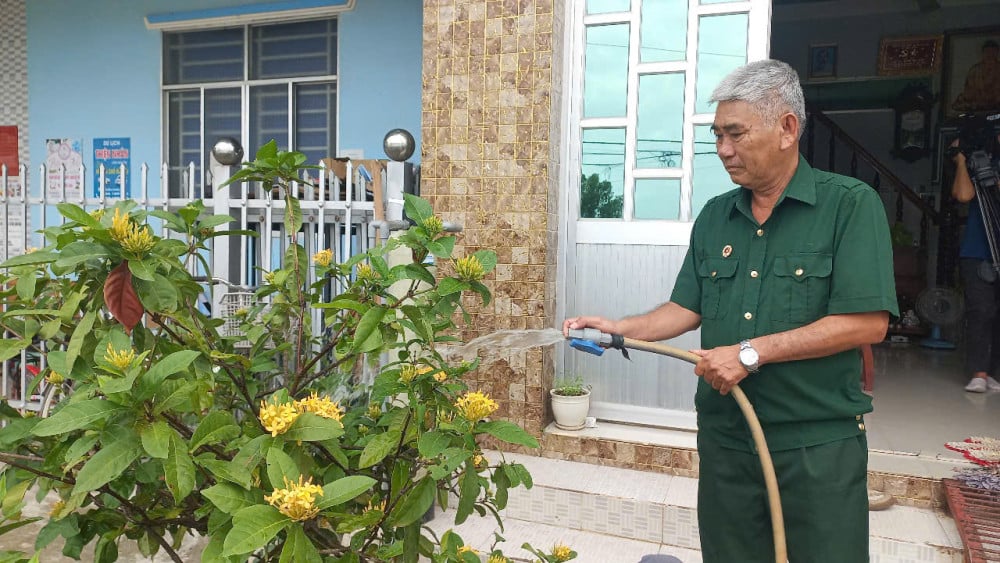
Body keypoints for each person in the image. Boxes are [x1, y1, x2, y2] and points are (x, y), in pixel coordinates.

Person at [563, 59, 897, 563]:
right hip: (727, 439)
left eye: (736, 134)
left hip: (814, 445)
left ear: (787, 129)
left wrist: (750, 352)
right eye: (717, 134)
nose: (723, 150)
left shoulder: (849, 205)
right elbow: (685, 307)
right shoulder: (718, 215)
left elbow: (867, 322)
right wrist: (620, 327)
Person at [950, 135, 1000, 393]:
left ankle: (994, 372)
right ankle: (978, 372)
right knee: (981, 311)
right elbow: (963, 194)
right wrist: (962, 160)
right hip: (978, 250)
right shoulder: (978, 162)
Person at [952, 40, 1000, 113]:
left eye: (993, 52)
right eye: (987, 52)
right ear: (983, 54)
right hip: (978, 103)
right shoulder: (975, 70)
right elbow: (969, 90)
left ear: (997, 53)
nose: (990, 55)